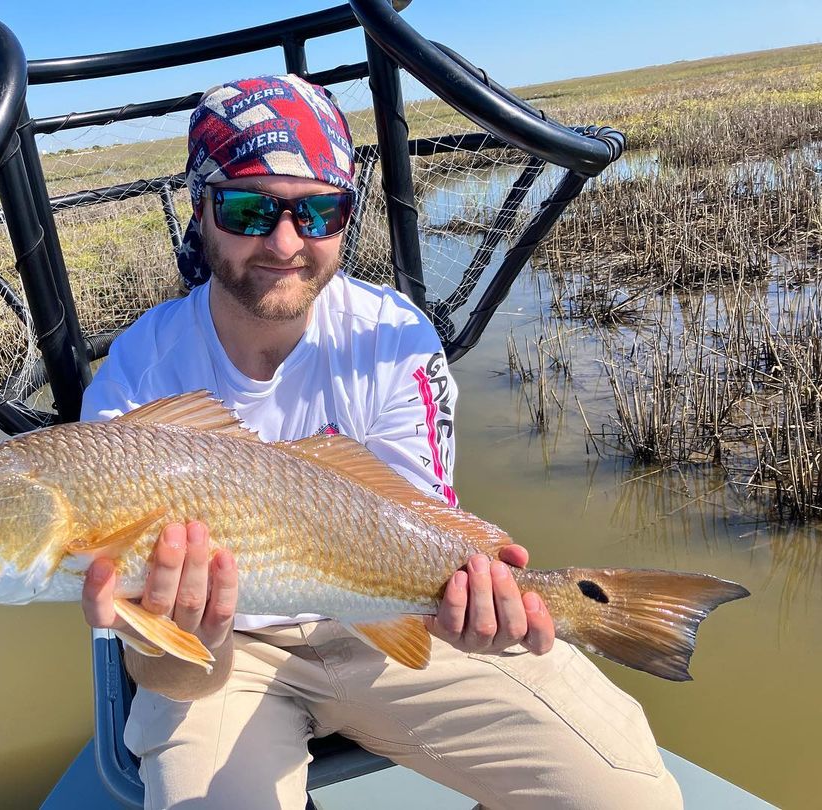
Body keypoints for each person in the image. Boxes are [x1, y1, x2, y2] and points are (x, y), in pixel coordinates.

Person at [80, 75, 681, 809]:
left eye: (319, 210)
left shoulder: (394, 336)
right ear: (200, 211)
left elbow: (424, 536)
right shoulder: (136, 376)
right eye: (246, 208)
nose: (284, 242)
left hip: (386, 619)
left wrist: (482, 606)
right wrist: (173, 636)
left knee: (628, 798)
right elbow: (168, 675)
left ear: (347, 215)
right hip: (225, 654)